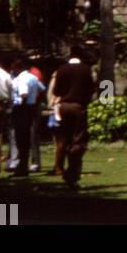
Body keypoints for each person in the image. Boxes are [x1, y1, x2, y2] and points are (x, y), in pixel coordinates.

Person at [50, 51, 95, 187]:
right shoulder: (86, 70)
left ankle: (63, 168)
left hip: (64, 106)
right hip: (78, 106)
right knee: (78, 140)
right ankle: (72, 173)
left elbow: (56, 91)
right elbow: (91, 89)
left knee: (65, 139)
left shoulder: (62, 69)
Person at [8, 58, 44, 177]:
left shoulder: (21, 78)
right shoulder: (33, 77)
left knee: (20, 138)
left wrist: (21, 104)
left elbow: (23, 93)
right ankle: (25, 163)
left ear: (18, 68)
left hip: (22, 108)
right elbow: (42, 88)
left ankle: (22, 165)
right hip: (32, 107)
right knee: (28, 137)